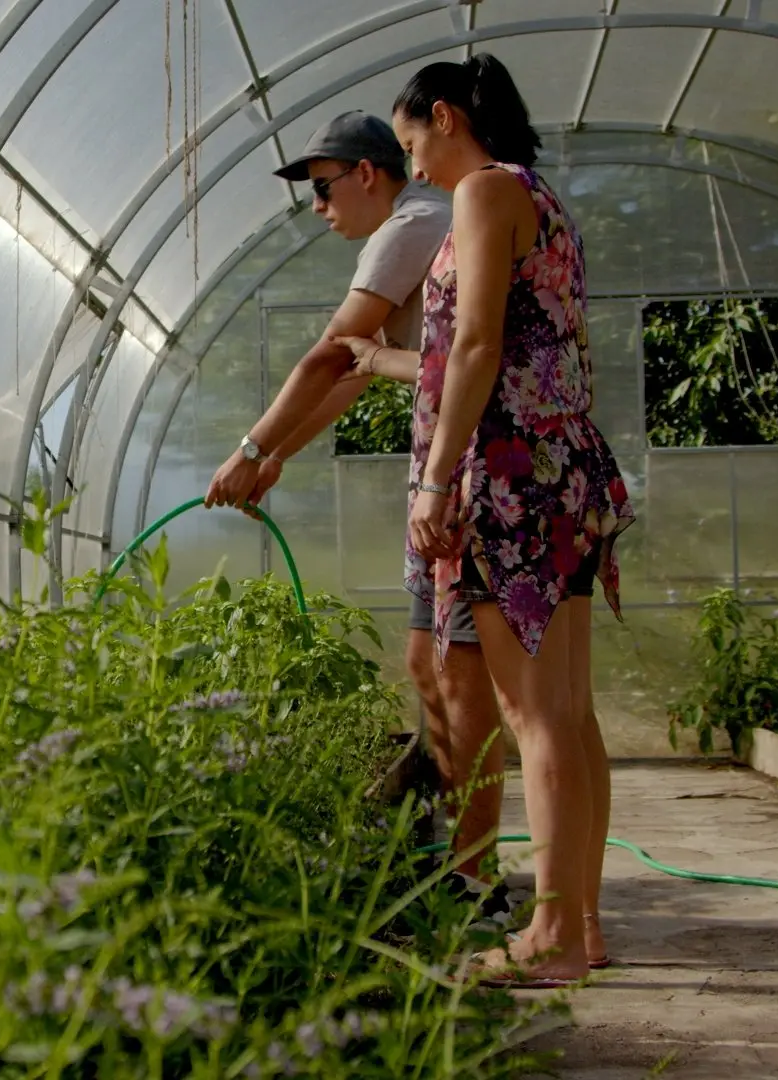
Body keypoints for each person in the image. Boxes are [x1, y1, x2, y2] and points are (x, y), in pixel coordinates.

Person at [343, 54, 635, 988]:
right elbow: (489, 353)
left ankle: (546, 939)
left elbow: (476, 345)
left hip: (511, 483)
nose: (413, 167)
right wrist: (384, 363)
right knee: (570, 715)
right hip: (566, 475)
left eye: (412, 143)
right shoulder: (541, 202)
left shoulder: (481, 194)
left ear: (445, 117)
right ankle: (580, 926)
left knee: (530, 715)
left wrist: (434, 484)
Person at [202, 112, 508, 907]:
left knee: (461, 673)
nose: (318, 207)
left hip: (468, 476)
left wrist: (249, 447)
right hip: (438, 474)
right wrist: (276, 456)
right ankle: (448, 849)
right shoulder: (420, 228)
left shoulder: (412, 226)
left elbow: (331, 354)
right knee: (424, 663)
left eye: (324, 187)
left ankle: (474, 879)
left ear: (369, 174)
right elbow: (357, 374)